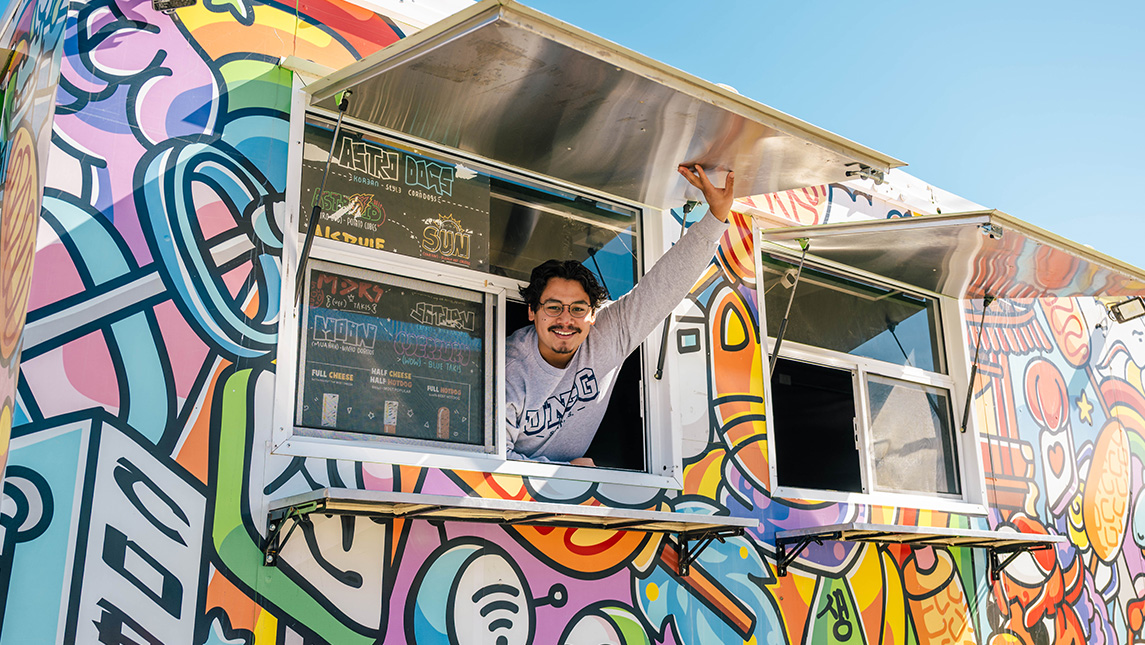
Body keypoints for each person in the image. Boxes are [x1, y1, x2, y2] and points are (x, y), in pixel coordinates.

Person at [505, 164, 735, 464]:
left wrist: (716, 216)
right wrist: (564, 471)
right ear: (532, 312)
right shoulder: (510, 369)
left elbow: (662, 288)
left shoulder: (606, 336)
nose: (565, 319)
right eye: (553, 307)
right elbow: (492, 458)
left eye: (578, 309)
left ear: (593, 315)